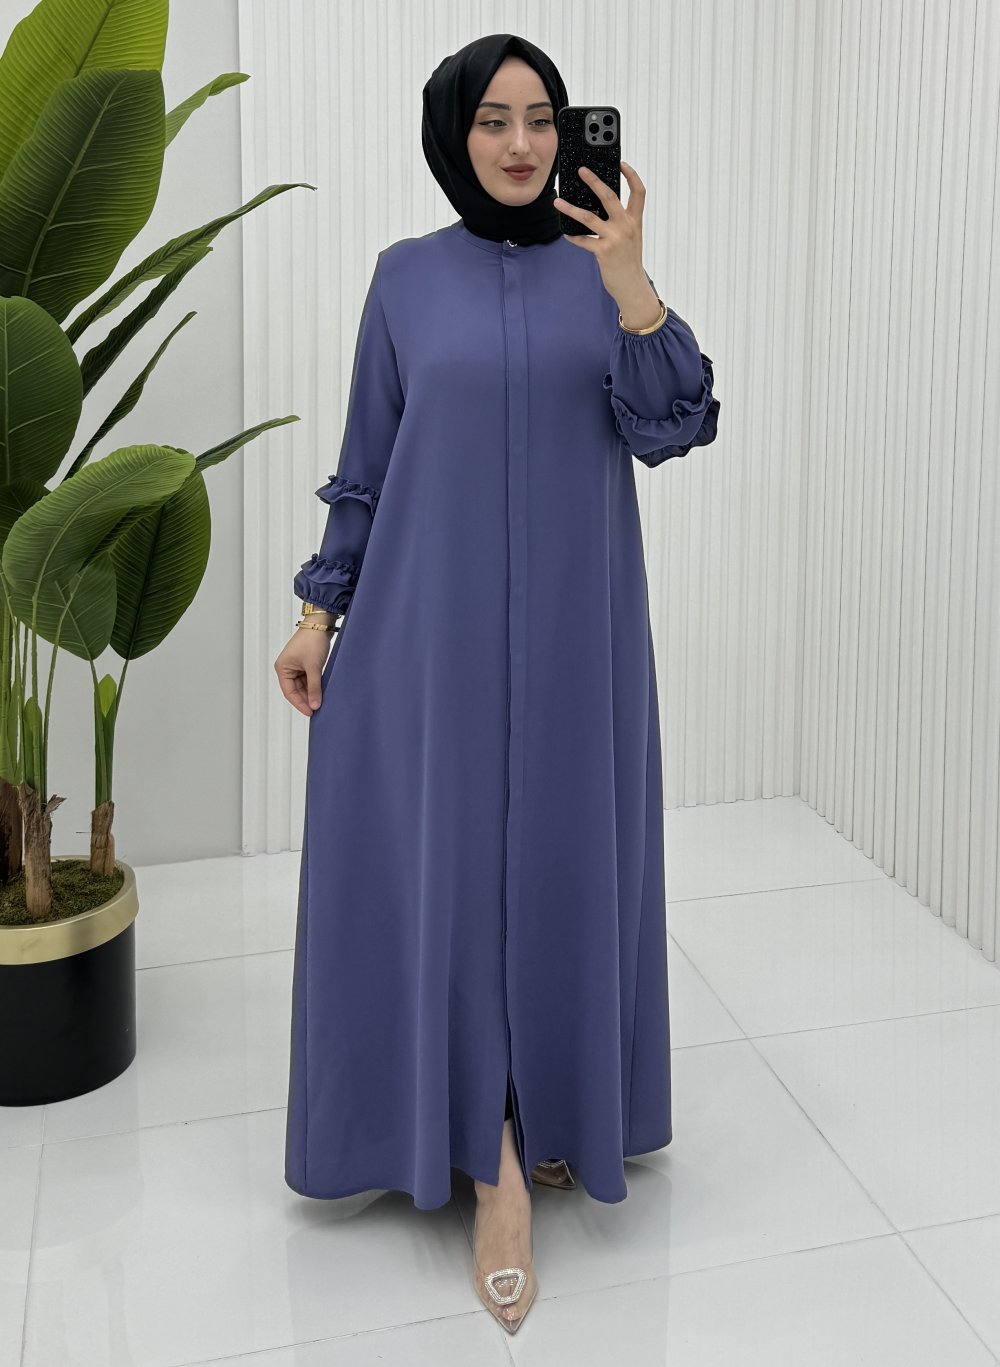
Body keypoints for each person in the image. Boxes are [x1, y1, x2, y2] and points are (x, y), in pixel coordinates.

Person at [274, 32, 720, 1336]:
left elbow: (676, 422)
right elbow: (368, 462)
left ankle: (559, 1105)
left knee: (570, 862)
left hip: (582, 635)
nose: (521, 144)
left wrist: (632, 284)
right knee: (452, 879)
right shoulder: (406, 278)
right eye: (493, 120)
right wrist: (317, 614)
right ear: (453, 134)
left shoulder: (603, 273)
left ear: (569, 135)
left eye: (541, 119)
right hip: (429, 632)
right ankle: (493, 1162)